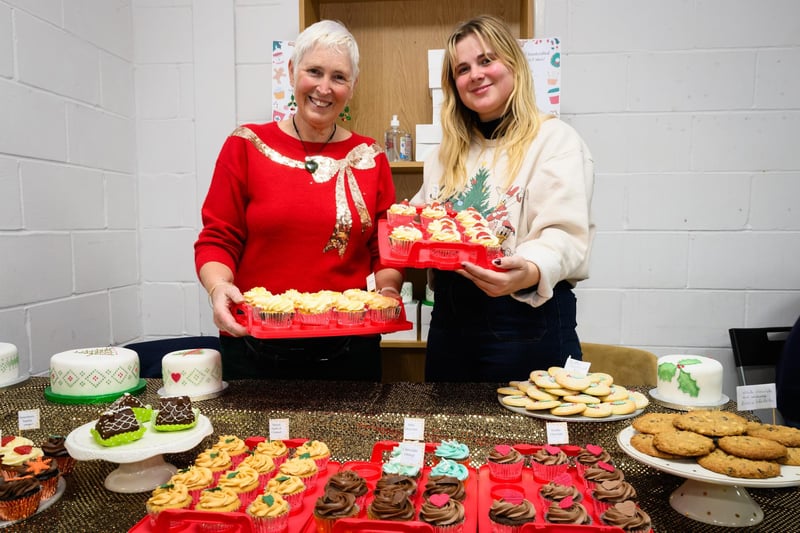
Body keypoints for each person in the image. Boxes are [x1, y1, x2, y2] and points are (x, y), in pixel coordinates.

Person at [194, 20, 403, 381]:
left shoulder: (370, 156)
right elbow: (218, 238)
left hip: (349, 351)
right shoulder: (245, 145)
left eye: (339, 77)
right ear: (292, 71)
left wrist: (387, 291)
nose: (324, 88)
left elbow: (383, 249)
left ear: (352, 87)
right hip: (255, 346)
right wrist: (218, 287)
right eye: (314, 71)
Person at [411, 15, 595, 382]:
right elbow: (422, 219)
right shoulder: (444, 155)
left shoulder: (554, 141)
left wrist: (528, 269)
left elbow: (564, 235)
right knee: (449, 434)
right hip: (449, 322)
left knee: (526, 437)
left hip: (525, 319)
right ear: (454, 85)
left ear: (513, 64)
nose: (475, 74)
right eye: (462, 69)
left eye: (486, 60)